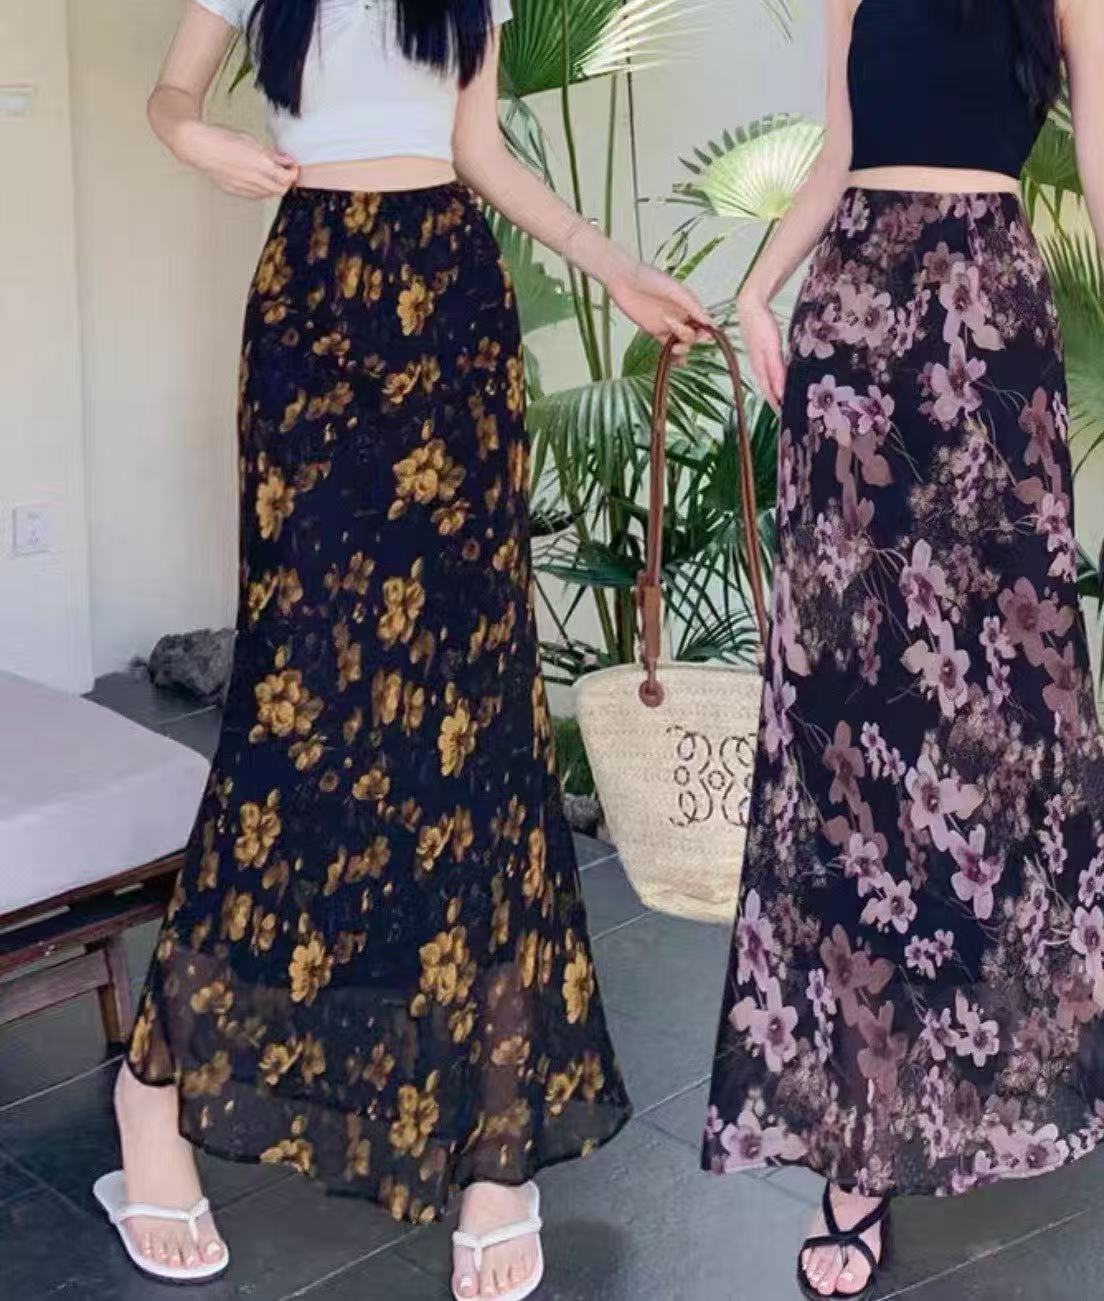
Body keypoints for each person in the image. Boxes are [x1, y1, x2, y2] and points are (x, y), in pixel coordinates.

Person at [97, 3, 706, 1298]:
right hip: (312, 309)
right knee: (295, 707)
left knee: (475, 720)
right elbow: (168, 94)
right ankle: (151, 1099)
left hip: (454, 310)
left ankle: (494, 1148)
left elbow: (477, 150)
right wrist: (197, 139)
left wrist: (607, 261)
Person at [701, 1, 1104, 1296]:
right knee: (845, 749)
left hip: (986, 336)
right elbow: (845, 146)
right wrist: (755, 285)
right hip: (849, 340)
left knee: (1030, 742)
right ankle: (860, 1133)